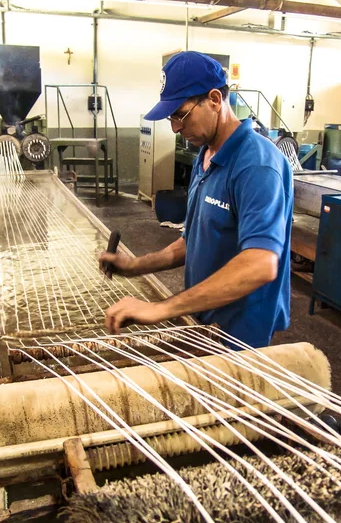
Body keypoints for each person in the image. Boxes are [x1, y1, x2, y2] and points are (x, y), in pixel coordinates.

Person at [100, 51, 293, 348]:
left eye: (181, 114)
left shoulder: (256, 165)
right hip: (203, 316)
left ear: (215, 99)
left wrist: (161, 308)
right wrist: (137, 265)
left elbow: (260, 264)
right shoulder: (205, 157)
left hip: (240, 329)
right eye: (171, 118)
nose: (176, 128)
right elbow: (193, 240)